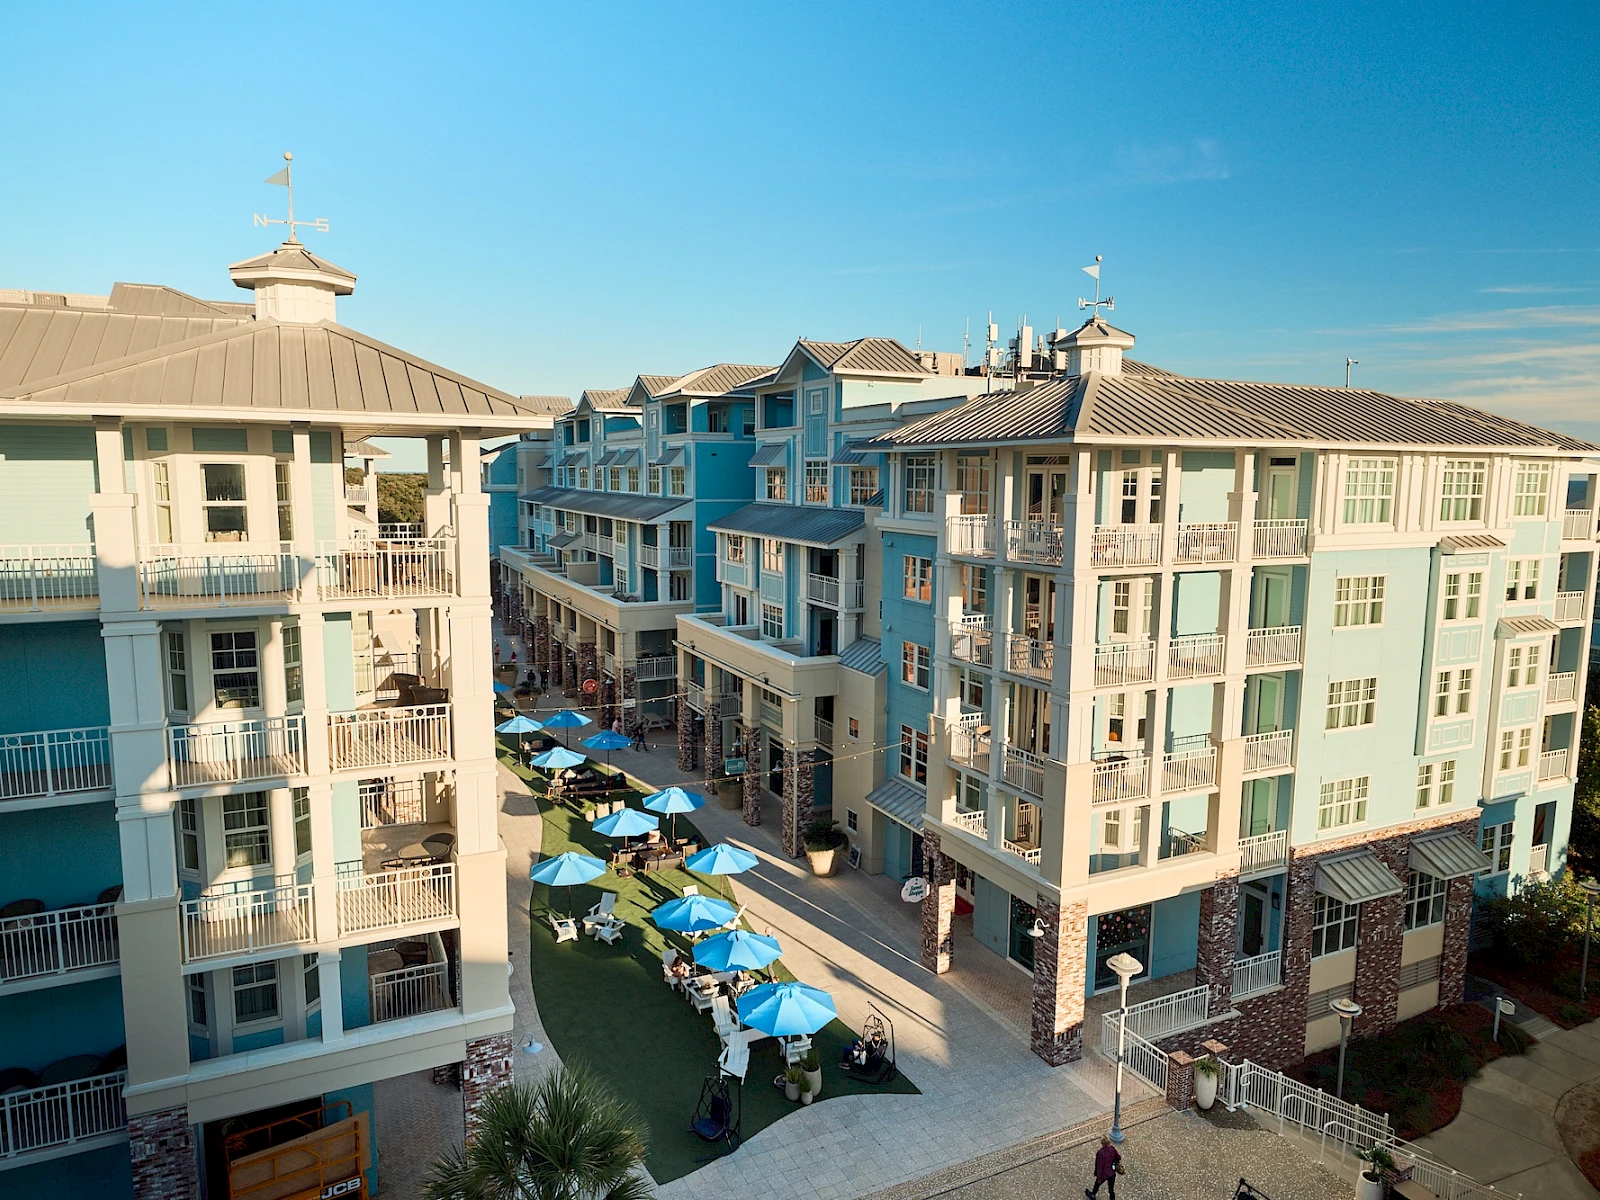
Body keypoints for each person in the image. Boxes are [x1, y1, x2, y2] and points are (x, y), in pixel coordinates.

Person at [1087, 1134, 1121, 1199]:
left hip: (1103, 1174)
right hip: (1112, 1173)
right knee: (1111, 1189)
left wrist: (1099, 1178)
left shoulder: (1100, 1153)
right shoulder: (1112, 1149)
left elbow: (1100, 1166)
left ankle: (1093, 1195)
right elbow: (1118, 1157)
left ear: (1102, 1143)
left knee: (1097, 1184)